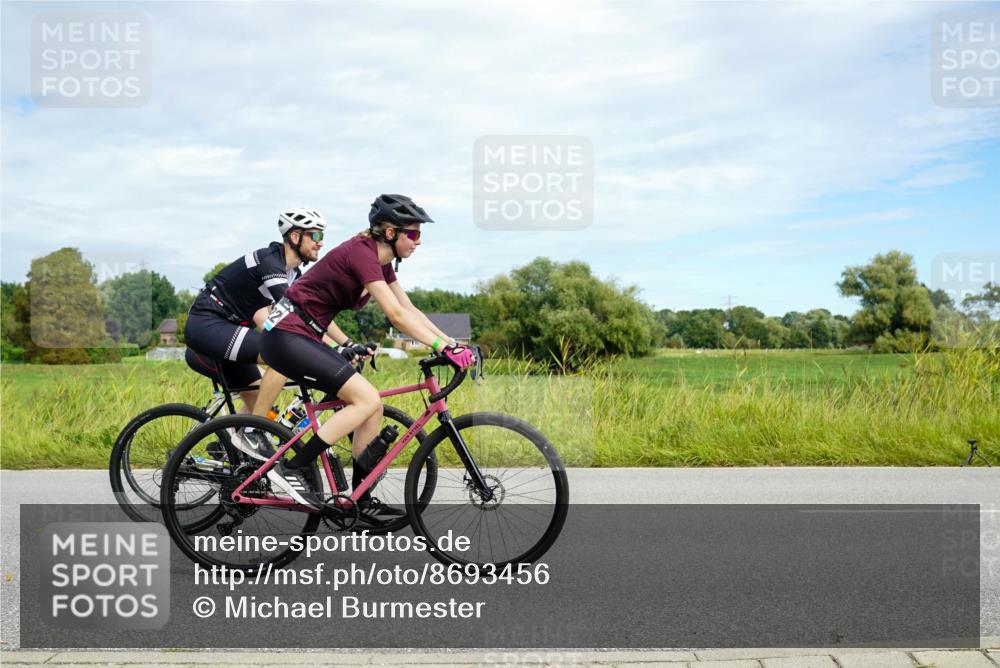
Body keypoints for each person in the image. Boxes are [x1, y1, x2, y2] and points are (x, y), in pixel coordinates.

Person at [259, 194, 475, 513]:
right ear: (390, 233)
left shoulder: (380, 261)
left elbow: (408, 308)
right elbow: (395, 316)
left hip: (304, 336)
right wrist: (441, 347)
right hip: (287, 336)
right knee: (366, 399)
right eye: (413, 234)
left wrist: (453, 344)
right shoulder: (362, 253)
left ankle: (358, 500)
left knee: (372, 408)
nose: (418, 242)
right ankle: (290, 470)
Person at [184, 208, 326, 456]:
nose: (320, 242)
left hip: (231, 335)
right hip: (207, 327)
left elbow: (269, 319)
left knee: (263, 400)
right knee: (284, 357)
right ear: (294, 237)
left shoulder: (292, 274)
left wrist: (337, 346)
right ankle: (252, 434)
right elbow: (294, 311)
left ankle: (229, 445)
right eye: (315, 236)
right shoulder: (269, 261)